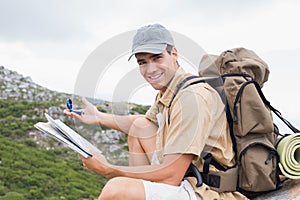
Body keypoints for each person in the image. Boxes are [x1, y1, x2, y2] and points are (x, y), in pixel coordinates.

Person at [64, 24, 247, 200]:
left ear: (173, 54)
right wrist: (99, 117)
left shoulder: (191, 97)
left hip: (208, 191)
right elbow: (145, 122)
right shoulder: (171, 90)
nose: (150, 69)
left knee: (116, 189)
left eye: (157, 58)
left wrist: (108, 169)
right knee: (140, 127)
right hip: (190, 176)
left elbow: (171, 176)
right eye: (143, 62)